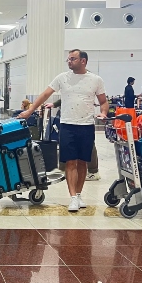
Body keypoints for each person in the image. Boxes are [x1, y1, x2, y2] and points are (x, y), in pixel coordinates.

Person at [19, 49, 108, 212]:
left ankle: (79, 195)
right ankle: (73, 197)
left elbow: (103, 101)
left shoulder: (95, 79)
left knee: (83, 162)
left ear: (83, 61)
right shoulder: (62, 78)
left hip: (87, 126)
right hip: (67, 125)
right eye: (68, 59)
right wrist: (30, 111)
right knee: (70, 161)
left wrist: (103, 113)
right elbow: (45, 95)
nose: (69, 61)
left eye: (73, 59)